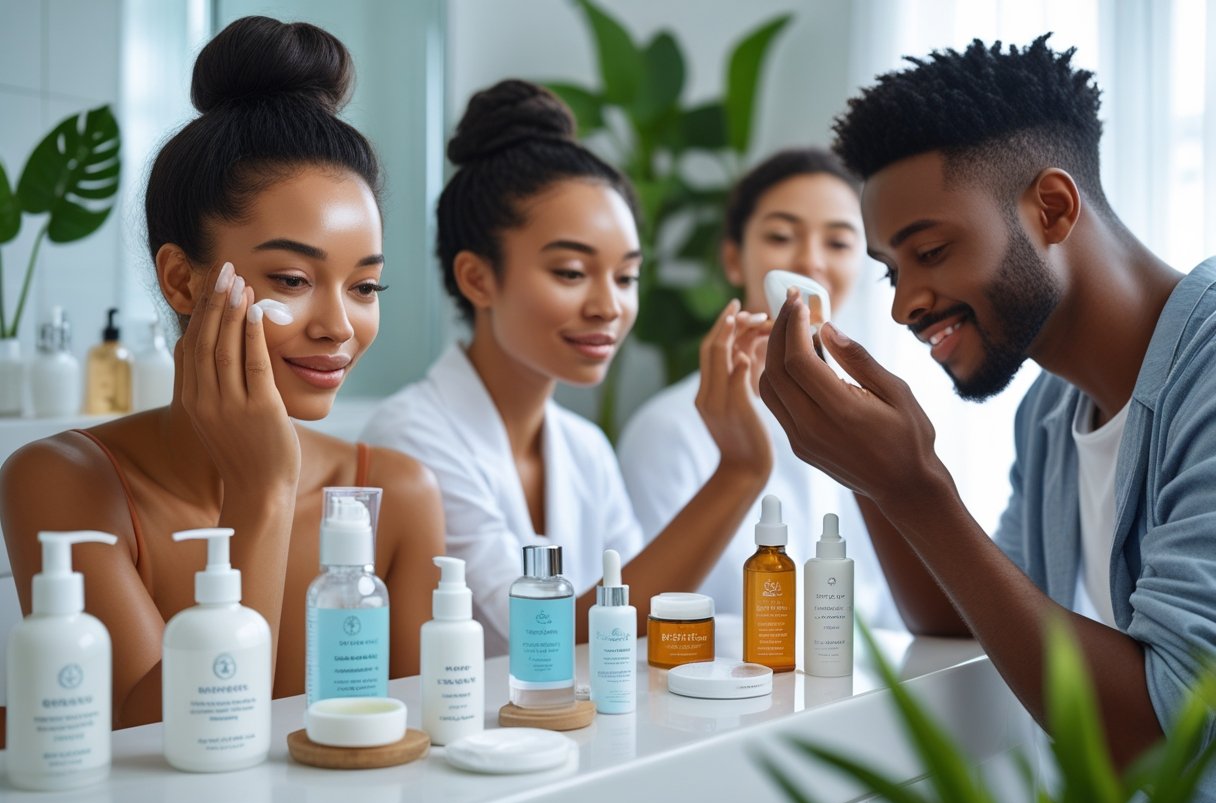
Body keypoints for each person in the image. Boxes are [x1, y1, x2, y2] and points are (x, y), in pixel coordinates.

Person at [759, 34, 1216, 803]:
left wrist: (918, 488)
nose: (904, 303)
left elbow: (1163, 731)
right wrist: (871, 469)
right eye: (891, 271)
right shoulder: (1051, 412)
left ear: (1053, 207)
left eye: (930, 250)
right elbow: (954, 612)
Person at [0, 16, 443, 730]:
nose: (339, 325)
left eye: (365, 287)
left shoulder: (396, 495)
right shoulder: (63, 483)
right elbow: (155, 751)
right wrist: (260, 489)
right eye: (294, 278)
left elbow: (411, 748)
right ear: (181, 281)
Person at [360, 80, 771, 654]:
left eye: (626, 277)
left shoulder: (585, 449)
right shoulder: (409, 440)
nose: (609, 306)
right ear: (477, 278)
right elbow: (542, 635)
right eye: (572, 272)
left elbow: (630, 623)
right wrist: (739, 471)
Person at [618, 148, 899, 627]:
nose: (810, 260)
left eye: (838, 242)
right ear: (733, 259)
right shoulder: (667, 430)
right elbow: (650, 615)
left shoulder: (876, 418)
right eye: (781, 236)